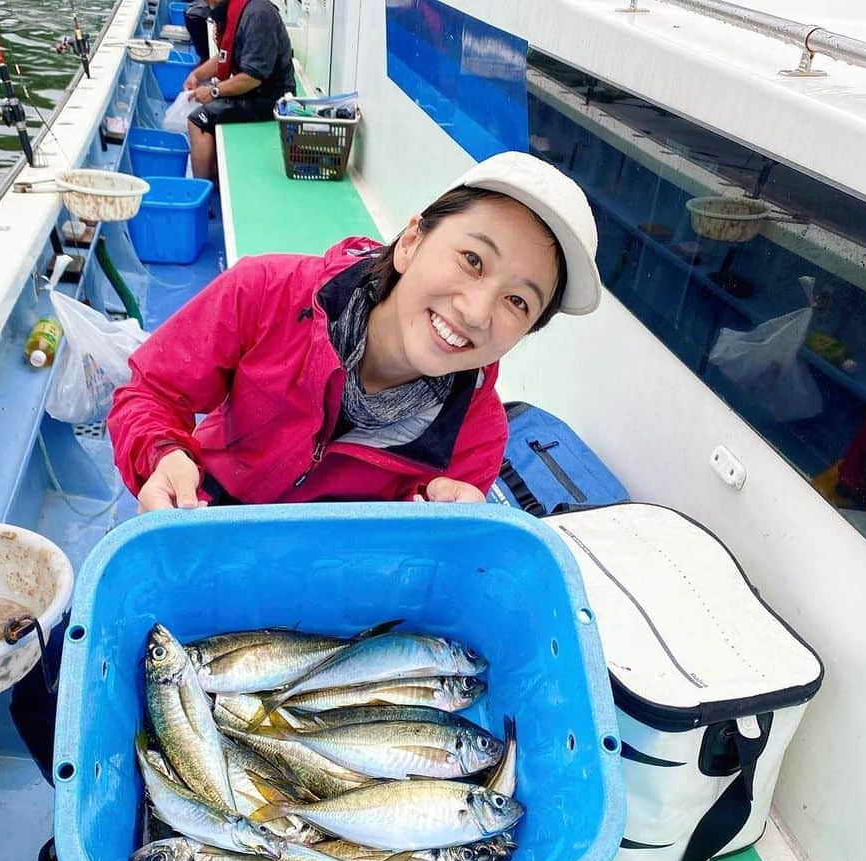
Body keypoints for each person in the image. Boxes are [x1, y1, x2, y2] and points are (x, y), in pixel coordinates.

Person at [108, 151, 603, 511]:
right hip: (206, 513)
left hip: (329, 579)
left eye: (517, 301)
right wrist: (162, 455)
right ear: (411, 242)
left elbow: (416, 571)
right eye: (472, 259)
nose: (476, 312)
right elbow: (151, 391)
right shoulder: (266, 291)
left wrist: (434, 531)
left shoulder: (476, 434)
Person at [183, 0, 296, 180]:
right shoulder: (234, 9)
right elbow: (225, 55)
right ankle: (213, 175)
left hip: (271, 99)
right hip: (255, 90)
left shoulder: (258, 15)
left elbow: (252, 78)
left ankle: (203, 191)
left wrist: (214, 91)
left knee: (198, 121)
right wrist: (197, 75)